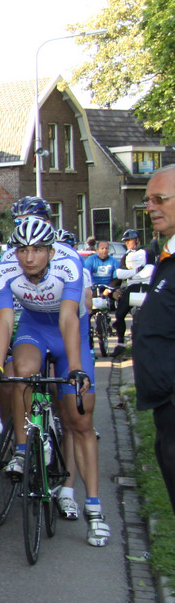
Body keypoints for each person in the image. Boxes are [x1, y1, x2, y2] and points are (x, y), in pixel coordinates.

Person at [0, 217, 106, 546]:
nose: (29, 257)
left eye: (37, 250)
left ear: (50, 252)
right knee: (21, 372)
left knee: (80, 420)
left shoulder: (69, 265)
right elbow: (4, 321)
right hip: (35, 329)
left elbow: (69, 317)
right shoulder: (5, 269)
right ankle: (23, 449)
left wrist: (76, 368)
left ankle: (94, 508)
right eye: (23, 250)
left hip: (70, 333)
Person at [134, 166, 175, 520]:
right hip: (165, 406)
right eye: (148, 199)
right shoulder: (167, 254)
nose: (150, 207)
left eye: (160, 199)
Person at [114, 229, 149, 359]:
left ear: (137, 240)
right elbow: (120, 274)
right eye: (126, 241)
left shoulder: (147, 252)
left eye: (129, 240)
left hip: (146, 285)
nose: (127, 243)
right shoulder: (126, 256)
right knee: (119, 314)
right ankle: (121, 343)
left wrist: (131, 274)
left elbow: (150, 270)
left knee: (150, 313)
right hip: (132, 286)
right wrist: (137, 271)